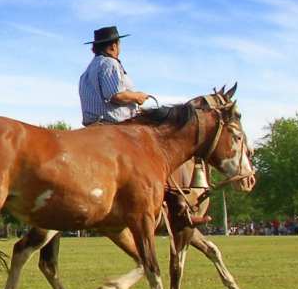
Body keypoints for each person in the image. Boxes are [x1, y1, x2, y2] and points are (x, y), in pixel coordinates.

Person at [78, 25, 208, 228]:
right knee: (159, 158)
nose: (119, 48)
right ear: (113, 46)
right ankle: (178, 208)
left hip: (93, 126)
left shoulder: (87, 71)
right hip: (116, 126)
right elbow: (116, 95)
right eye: (119, 44)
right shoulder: (110, 64)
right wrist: (138, 96)